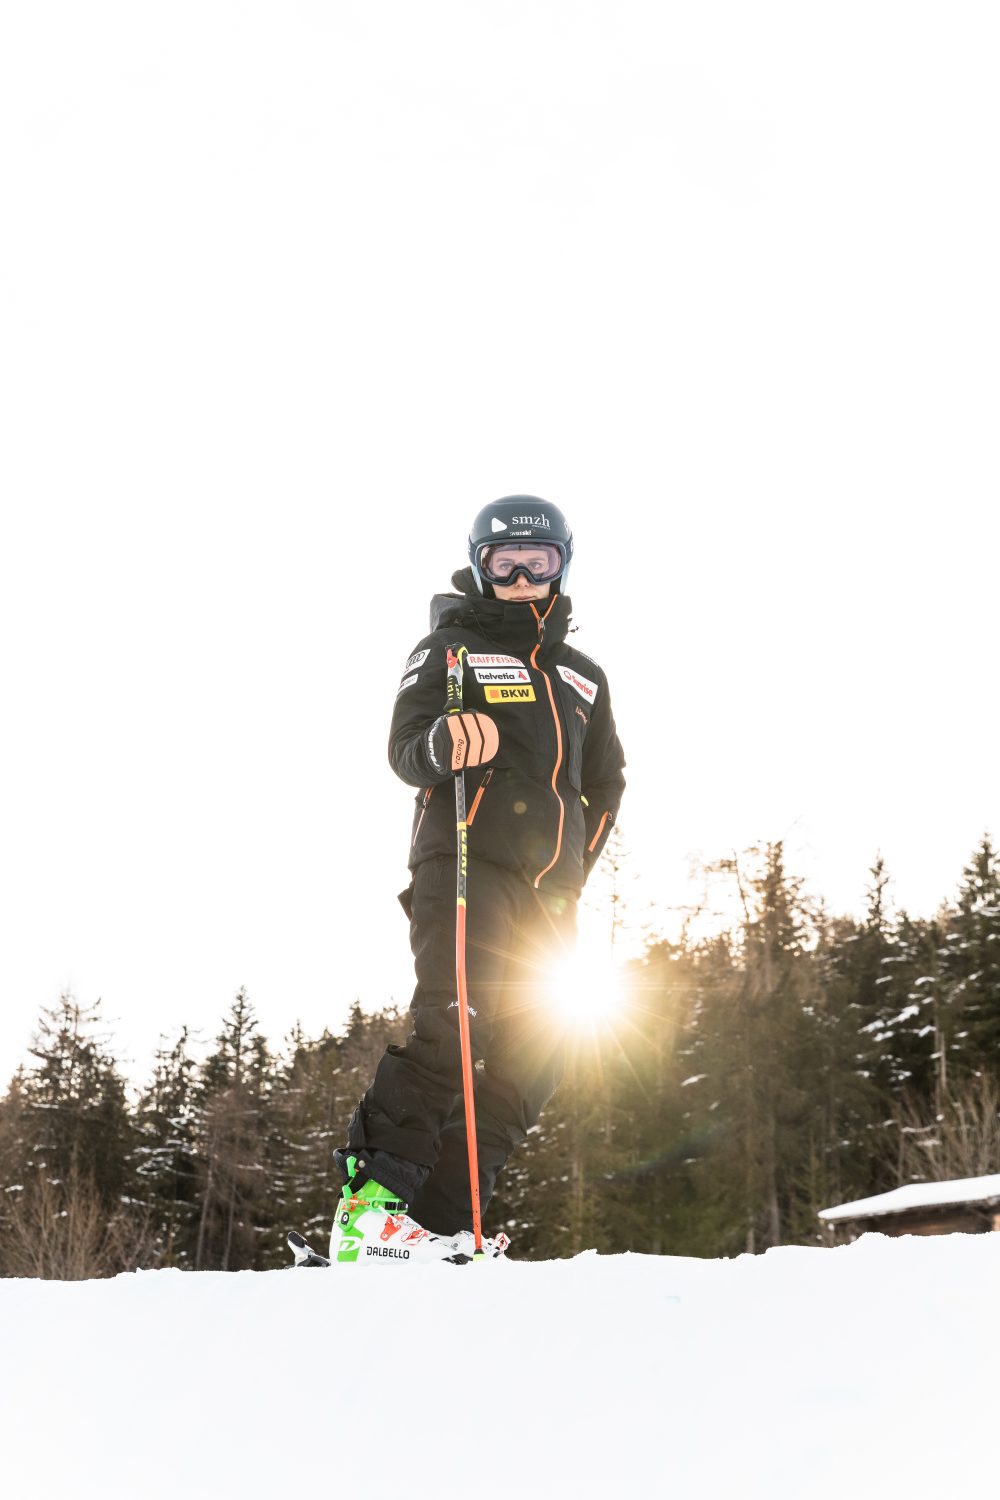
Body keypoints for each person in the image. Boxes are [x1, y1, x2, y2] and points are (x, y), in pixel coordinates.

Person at [330, 496, 626, 1263]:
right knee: (456, 1022)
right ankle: (371, 1208)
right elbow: (404, 748)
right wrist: (442, 745)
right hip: (464, 861)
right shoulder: (450, 649)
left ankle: (440, 1224)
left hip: (548, 895)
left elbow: (607, 784)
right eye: (505, 563)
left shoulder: (584, 677)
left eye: (539, 562)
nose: (523, 576)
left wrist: (573, 871)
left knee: (535, 1059)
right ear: (481, 566)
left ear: (562, 565)